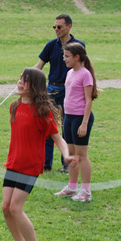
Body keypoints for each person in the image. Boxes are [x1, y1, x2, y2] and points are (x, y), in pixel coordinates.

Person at [2, 68, 77, 241]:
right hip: (13, 164)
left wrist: (67, 155)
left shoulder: (42, 112)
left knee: (16, 208)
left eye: (24, 81)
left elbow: (57, 138)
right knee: (6, 208)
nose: (19, 82)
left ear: (34, 86)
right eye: (19, 78)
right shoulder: (14, 106)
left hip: (30, 166)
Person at [34, 14, 85, 173]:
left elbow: (84, 69)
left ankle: (66, 163)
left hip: (70, 91)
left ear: (69, 27)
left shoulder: (78, 46)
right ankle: (46, 163)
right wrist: (28, 78)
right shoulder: (51, 45)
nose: (56, 30)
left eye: (59, 27)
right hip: (51, 89)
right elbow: (39, 65)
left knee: (66, 127)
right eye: (54, 27)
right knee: (47, 125)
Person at [54, 42, 99, 202]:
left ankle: (86, 191)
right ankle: (72, 187)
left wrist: (84, 123)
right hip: (69, 117)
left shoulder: (85, 74)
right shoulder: (70, 73)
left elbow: (88, 100)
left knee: (81, 155)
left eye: (67, 56)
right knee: (71, 155)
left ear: (77, 57)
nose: (64, 59)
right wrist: (62, 116)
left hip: (80, 118)